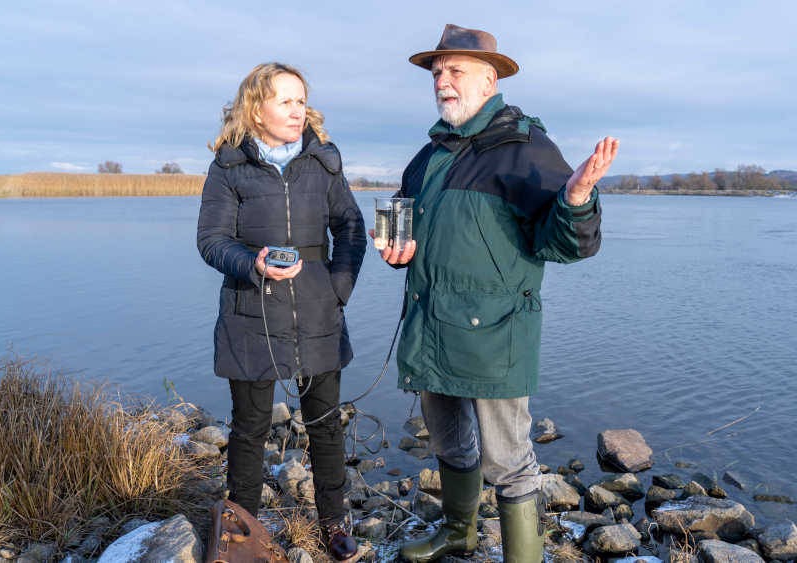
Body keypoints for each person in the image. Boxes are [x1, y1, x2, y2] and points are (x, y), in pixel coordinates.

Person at [374, 25, 619, 563]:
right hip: (432, 324)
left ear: (490, 79)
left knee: (508, 461)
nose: (443, 82)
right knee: (449, 444)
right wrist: (397, 250)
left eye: (455, 71)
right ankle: (459, 533)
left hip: (495, 332)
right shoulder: (430, 153)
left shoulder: (524, 148)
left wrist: (577, 198)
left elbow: (567, 243)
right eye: (438, 73)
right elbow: (411, 228)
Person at [197, 62, 366, 561]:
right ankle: (241, 532)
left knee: (326, 423)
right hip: (250, 313)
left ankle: (334, 524)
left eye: (301, 100)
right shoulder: (229, 166)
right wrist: (253, 263)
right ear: (256, 108)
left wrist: (338, 289)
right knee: (249, 428)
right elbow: (210, 241)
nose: (298, 111)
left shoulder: (324, 161)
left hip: (319, 313)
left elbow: (351, 229)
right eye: (286, 101)